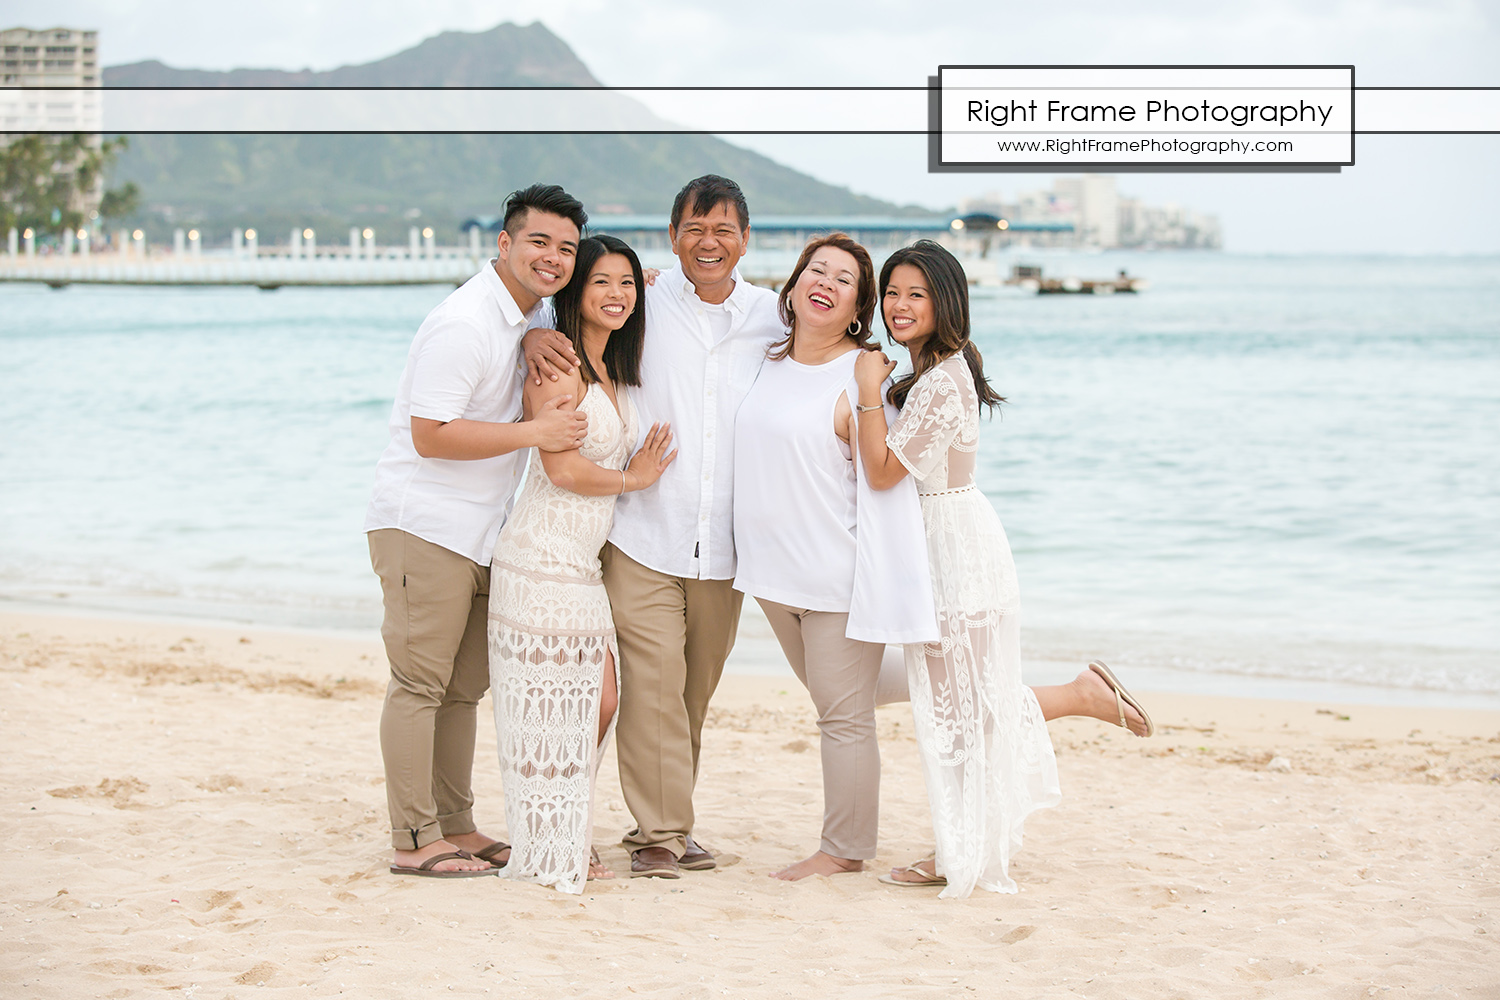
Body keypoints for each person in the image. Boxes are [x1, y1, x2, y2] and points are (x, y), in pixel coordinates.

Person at [852, 239, 1154, 898]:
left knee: (961, 711)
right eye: (893, 293)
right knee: (965, 707)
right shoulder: (931, 377)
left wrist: (867, 394)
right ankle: (1078, 699)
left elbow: (881, 473)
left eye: (916, 295)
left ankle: (957, 846)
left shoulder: (936, 383)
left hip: (953, 554)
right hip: (947, 544)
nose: (899, 306)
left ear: (946, 303)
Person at [529, 176, 786, 879]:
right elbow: (568, 313)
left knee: (690, 693)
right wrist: (532, 341)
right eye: (696, 228)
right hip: (643, 531)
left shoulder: (772, 315)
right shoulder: (643, 300)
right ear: (673, 236)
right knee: (653, 684)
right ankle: (659, 834)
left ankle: (670, 821)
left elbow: (832, 351)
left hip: (728, 544)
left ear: (744, 240)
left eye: (724, 230)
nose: (710, 241)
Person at [365, 184, 590, 878]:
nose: (553, 258)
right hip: (423, 525)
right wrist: (538, 431)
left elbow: (584, 302)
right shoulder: (463, 322)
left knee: (463, 688)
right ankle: (413, 838)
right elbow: (429, 435)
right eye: (539, 243)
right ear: (504, 243)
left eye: (566, 248)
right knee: (419, 684)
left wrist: (540, 330)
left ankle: (455, 824)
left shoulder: (530, 312)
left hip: (481, 533)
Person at [732, 233, 940, 881]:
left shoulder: (860, 377)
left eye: (843, 279)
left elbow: (892, 477)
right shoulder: (765, 359)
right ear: (791, 288)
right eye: (815, 270)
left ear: (857, 307)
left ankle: (843, 849)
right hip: (770, 574)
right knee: (849, 695)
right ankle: (977, 683)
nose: (825, 281)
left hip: (833, 579)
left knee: (841, 716)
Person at [489, 235, 677, 893]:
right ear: (573, 291)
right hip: (539, 557)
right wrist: (637, 479)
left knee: (596, 702)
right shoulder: (560, 368)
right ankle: (549, 841)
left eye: (626, 284)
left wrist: (648, 276)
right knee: (566, 706)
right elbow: (562, 469)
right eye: (602, 282)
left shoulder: (606, 366)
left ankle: (562, 832)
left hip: (580, 564)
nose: (618, 295)